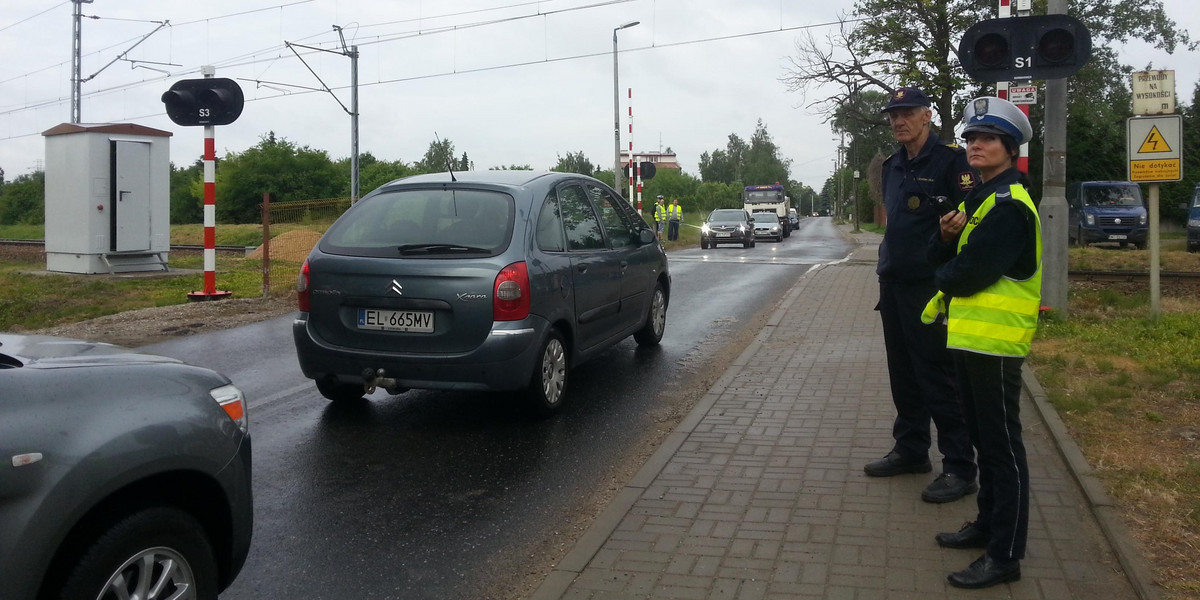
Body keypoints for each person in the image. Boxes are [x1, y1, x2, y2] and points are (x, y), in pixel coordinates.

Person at [922, 96, 1040, 589]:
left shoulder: (1010, 206)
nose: (975, 146)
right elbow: (939, 249)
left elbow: (966, 275)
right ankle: (987, 526)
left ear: (1009, 148)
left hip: (996, 347)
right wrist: (944, 249)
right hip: (970, 341)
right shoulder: (981, 198)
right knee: (984, 442)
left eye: (987, 139)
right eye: (971, 138)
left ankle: (1005, 554)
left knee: (1002, 448)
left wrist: (945, 268)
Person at [868, 86, 980, 504]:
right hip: (893, 284)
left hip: (930, 288)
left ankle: (959, 466)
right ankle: (912, 450)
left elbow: (974, 217)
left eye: (907, 112)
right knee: (904, 375)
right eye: (893, 114)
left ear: (927, 116)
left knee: (938, 376)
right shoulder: (893, 165)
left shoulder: (952, 161)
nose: (898, 120)